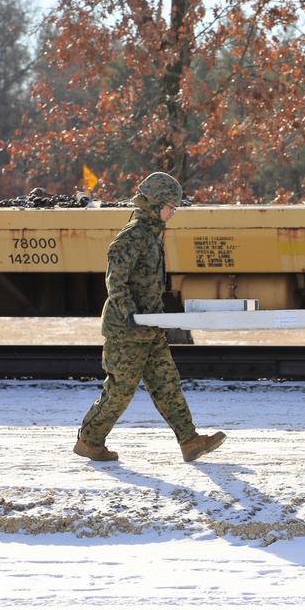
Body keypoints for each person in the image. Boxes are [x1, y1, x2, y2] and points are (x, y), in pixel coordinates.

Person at [74, 172, 225, 463]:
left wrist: (153, 318)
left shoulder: (152, 235)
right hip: (126, 329)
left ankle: (189, 441)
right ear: (155, 204)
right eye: (171, 206)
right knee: (120, 390)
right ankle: (90, 440)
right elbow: (115, 282)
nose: (173, 213)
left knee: (168, 384)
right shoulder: (132, 236)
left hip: (150, 327)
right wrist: (130, 313)